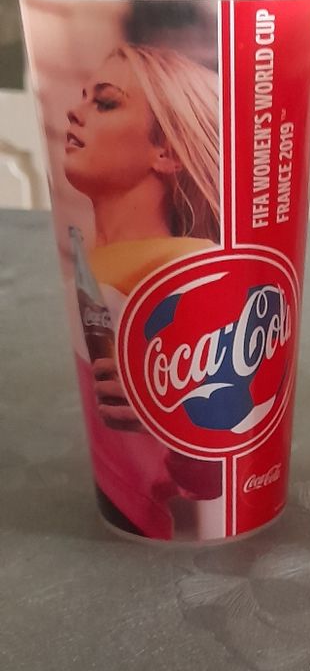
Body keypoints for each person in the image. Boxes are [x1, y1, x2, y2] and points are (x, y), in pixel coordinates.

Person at [63, 41, 222, 537]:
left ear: (167, 152)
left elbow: (220, 465)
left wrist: (169, 416)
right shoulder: (85, 269)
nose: (75, 111)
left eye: (105, 102)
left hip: (162, 538)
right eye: (85, 98)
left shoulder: (188, 267)